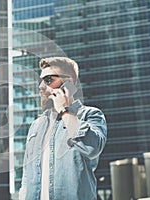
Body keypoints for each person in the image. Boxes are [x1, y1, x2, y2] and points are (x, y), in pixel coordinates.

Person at [19, 57, 107, 200]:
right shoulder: (36, 125)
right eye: (40, 81)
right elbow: (26, 177)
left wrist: (64, 111)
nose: (41, 86)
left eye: (48, 80)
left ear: (69, 83)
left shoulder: (90, 115)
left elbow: (92, 148)